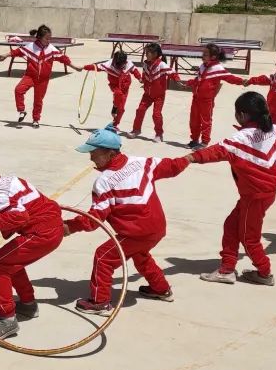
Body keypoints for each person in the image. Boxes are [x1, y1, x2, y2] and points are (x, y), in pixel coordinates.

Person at [187, 92, 276, 286]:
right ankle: (227, 268)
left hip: (255, 196)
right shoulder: (274, 130)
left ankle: (264, 273)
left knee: (249, 237)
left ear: (242, 115)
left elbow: (215, 151)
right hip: (261, 194)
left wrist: (187, 159)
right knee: (231, 225)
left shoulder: (241, 138)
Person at [65, 125, 188, 310]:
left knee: (103, 257)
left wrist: (68, 227)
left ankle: (100, 302)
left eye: (94, 153)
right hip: (157, 228)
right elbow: (172, 166)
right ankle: (161, 289)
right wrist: (191, 158)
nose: (90, 157)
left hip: (136, 232)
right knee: (140, 255)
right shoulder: (142, 162)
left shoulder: (104, 181)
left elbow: (93, 220)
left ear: (111, 154)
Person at [0, 154, 64, 340]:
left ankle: (7, 320)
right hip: (50, 227)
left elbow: (20, 217)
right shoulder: (4, 181)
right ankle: (28, 304)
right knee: (10, 261)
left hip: (41, 233)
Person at [9, 24, 75, 128]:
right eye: (47, 38)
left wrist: (75, 67)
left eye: (50, 38)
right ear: (39, 37)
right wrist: (4, 55)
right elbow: (17, 52)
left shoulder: (51, 49)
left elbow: (64, 59)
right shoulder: (31, 47)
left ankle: (36, 120)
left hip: (43, 80)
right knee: (18, 90)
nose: (49, 41)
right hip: (30, 76)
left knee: (38, 100)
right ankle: (21, 110)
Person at [182, 43, 245, 149]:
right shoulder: (202, 66)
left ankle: (204, 142)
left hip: (207, 100)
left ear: (213, 57)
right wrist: (189, 83)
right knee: (194, 120)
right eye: (203, 53)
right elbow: (198, 79)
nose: (202, 55)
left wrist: (242, 81)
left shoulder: (217, 68)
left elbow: (230, 78)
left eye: (205, 54)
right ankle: (194, 140)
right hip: (196, 98)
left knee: (205, 121)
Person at [72, 51, 133, 129]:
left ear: (124, 62)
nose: (118, 67)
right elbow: (95, 67)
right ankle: (115, 106)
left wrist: (140, 78)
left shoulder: (128, 64)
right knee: (118, 94)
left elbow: (134, 71)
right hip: (115, 86)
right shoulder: (108, 65)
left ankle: (115, 123)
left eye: (121, 65)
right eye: (117, 65)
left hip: (125, 87)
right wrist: (83, 67)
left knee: (121, 108)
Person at [128, 42, 174, 142]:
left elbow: (171, 72)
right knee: (140, 110)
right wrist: (142, 79)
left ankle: (159, 134)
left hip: (159, 95)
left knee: (156, 114)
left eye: (148, 52)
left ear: (155, 54)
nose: (146, 54)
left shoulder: (162, 65)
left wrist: (178, 80)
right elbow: (144, 75)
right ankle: (136, 130)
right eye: (146, 52)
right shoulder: (145, 64)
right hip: (147, 94)